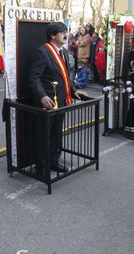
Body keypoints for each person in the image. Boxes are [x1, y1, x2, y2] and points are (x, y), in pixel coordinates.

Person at [29, 22, 87, 173]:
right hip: (48, 102)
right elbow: (34, 78)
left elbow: (65, 77)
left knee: (56, 133)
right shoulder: (42, 52)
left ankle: (54, 160)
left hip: (61, 100)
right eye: (62, 32)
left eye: (66, 31)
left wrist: (74, 90)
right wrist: (42, 96)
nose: (65, 34)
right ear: (53, 35)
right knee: (44, 135)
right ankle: (41, 166)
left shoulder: (64, 52)